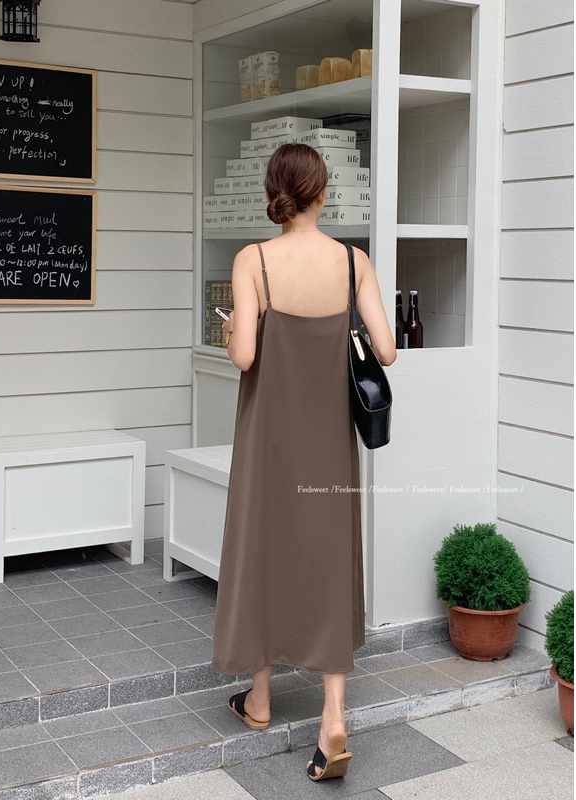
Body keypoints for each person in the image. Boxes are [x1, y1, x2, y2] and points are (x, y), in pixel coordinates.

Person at [211, 143, 397, 781]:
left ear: (275, 195)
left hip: (268, 436)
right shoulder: (353, 262)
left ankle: (260, 699)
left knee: (265, 548)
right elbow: (386, 352)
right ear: (322, 194)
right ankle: (333, 715)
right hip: (328, 440)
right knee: (329, 556)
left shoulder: (253, 260)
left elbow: (243, 356)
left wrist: (234, 324)